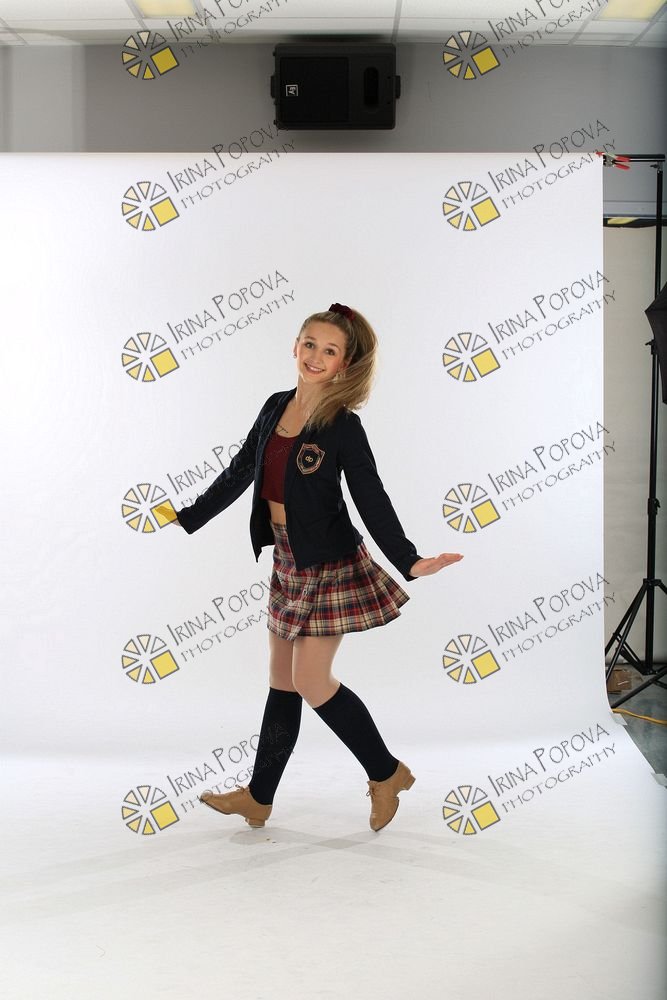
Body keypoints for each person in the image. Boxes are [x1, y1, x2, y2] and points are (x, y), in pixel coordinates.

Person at [174, 303, 463, 832]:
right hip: (287, 558)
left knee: (310, 679)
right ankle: (259, 798)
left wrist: (410, 559)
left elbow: (370, 496)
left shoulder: (343, 426)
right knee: (281, 681)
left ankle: (386, 772)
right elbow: (240, 470)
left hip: (330, 563)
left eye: (329, 351)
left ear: (343, 365)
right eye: (309, 343)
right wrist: (189, 516)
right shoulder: (274, 407)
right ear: (295, 345)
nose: (315, 356)